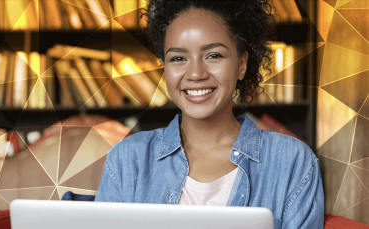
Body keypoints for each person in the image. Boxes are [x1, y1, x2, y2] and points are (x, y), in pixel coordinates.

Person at [95, 0, 324, 228]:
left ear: (242, 64)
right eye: (178, 58)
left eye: (213, 55)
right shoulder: (127, 159)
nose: (195, 74)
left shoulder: (292, 161)